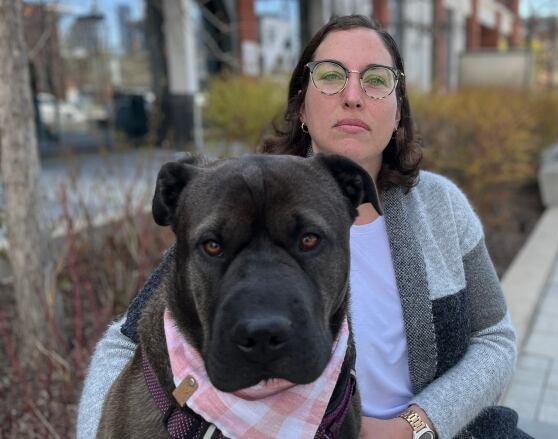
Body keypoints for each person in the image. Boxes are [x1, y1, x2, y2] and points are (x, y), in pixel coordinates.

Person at [78, 15, 525, 439]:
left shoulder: (440, 207)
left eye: (375, 80)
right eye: (330, 76)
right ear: (302, 107)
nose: (353, 95)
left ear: (397, 113)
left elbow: (494, 339)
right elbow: (123, 344)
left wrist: (416, 425)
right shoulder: (235, 201)